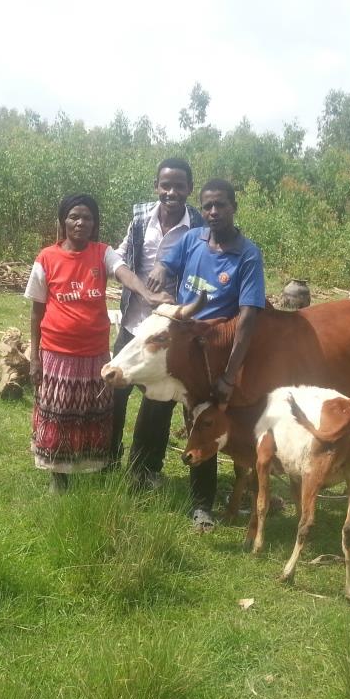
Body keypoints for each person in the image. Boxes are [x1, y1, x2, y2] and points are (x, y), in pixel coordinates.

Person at [25, 194, 171, 492]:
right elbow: (36, 310)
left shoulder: (102, 254)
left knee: (92, 413)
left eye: (88, 218)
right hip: (57, 354)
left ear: (95, 223)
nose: (81, 223)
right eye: (74, 217)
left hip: (95, 354)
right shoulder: (46, 258)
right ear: (63, 221)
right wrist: (35, 357)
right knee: (59, 414)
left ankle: (89, 469)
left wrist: (148, 294)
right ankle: (58, 476)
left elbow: (125, 274)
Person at [148, 178, 266, 531]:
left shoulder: (247, 254)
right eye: (208, 206)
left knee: (211, 422)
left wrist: (229, 374)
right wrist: (161, 270)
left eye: (221, 205)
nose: (213, 212)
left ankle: (214, 502)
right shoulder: (192, 239)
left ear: (234, 207)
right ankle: (150, 478)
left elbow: (248, 318)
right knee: (162, 405)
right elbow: (166, 264)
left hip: (217, 353)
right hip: (181, 343)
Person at [110, 158, 205, 487]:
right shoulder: (139, 217)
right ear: (156, 186)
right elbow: (117, 259)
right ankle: (108, 459)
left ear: (190, 189)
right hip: (133, 323)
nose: (171, 192)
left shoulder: (199, 225)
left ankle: (144, 469)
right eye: (165, 185)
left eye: (179, 186)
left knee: (159, 401)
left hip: (169, 331)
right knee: (114, 392)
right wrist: (142, 291)